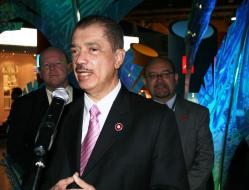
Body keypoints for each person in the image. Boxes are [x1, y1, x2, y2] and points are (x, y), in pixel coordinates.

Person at [40, 15, 189, 190]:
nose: (79, 60)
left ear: (118, 58)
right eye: (75, 51)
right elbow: (43, 178)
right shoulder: (61, 116)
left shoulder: (155, 119)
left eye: (93, 49)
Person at [6, 47, 83, 187]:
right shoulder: (23, 105)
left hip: (81, 182)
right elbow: (14, 147)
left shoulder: (87, 100)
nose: (52, 68)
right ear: (40, 72)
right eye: (46, 65)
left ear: (69, 67)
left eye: (58, 63)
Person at [144, 57, 214, 190]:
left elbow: (205, 159)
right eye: (152, 75)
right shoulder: (135, 115)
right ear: (145, 82)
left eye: (165, 74)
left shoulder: (198, 114)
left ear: (176, 78)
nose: (159, 79)